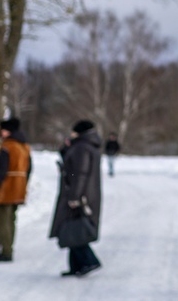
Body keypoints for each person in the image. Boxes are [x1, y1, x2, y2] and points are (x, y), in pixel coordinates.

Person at [49, 119, 102, 277]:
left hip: (78, 194)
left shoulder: (82, 148)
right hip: (83, 193)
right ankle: (76, 266)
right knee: (72, 228)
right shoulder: (85, 146)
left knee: (74, 228)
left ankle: (89, 261)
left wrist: (75, 196)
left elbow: (79, 174)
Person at [0, 117, 32, 263]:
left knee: (2, 221)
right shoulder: (24, 147)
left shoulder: (7, 147)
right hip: (18, 188)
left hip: (6, 189)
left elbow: (0, 172)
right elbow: (29, 169)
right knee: (11, 220)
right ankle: (8, 248)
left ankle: (6, 251)